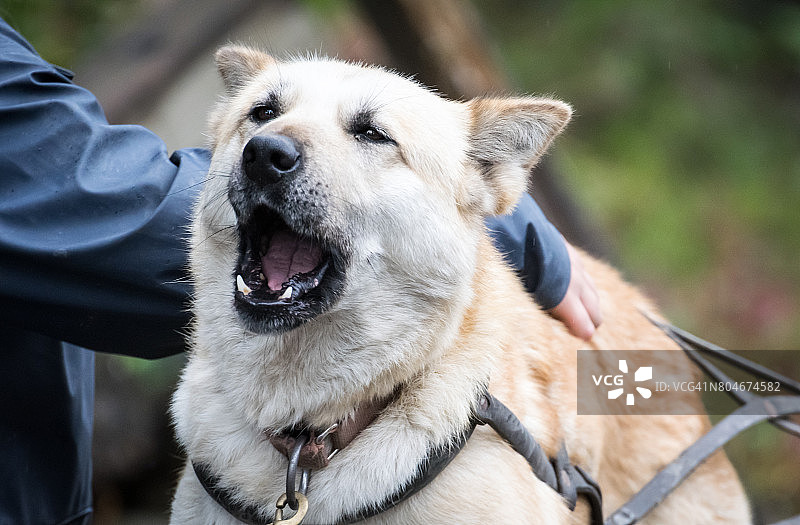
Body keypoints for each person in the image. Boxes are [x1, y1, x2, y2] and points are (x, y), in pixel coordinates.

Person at [0, 18, 600, 524]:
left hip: (597, 368)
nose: (272, 142)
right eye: (261, 112)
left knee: (676, 388)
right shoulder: (214, 441)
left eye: (368, 133)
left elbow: (667, 393)